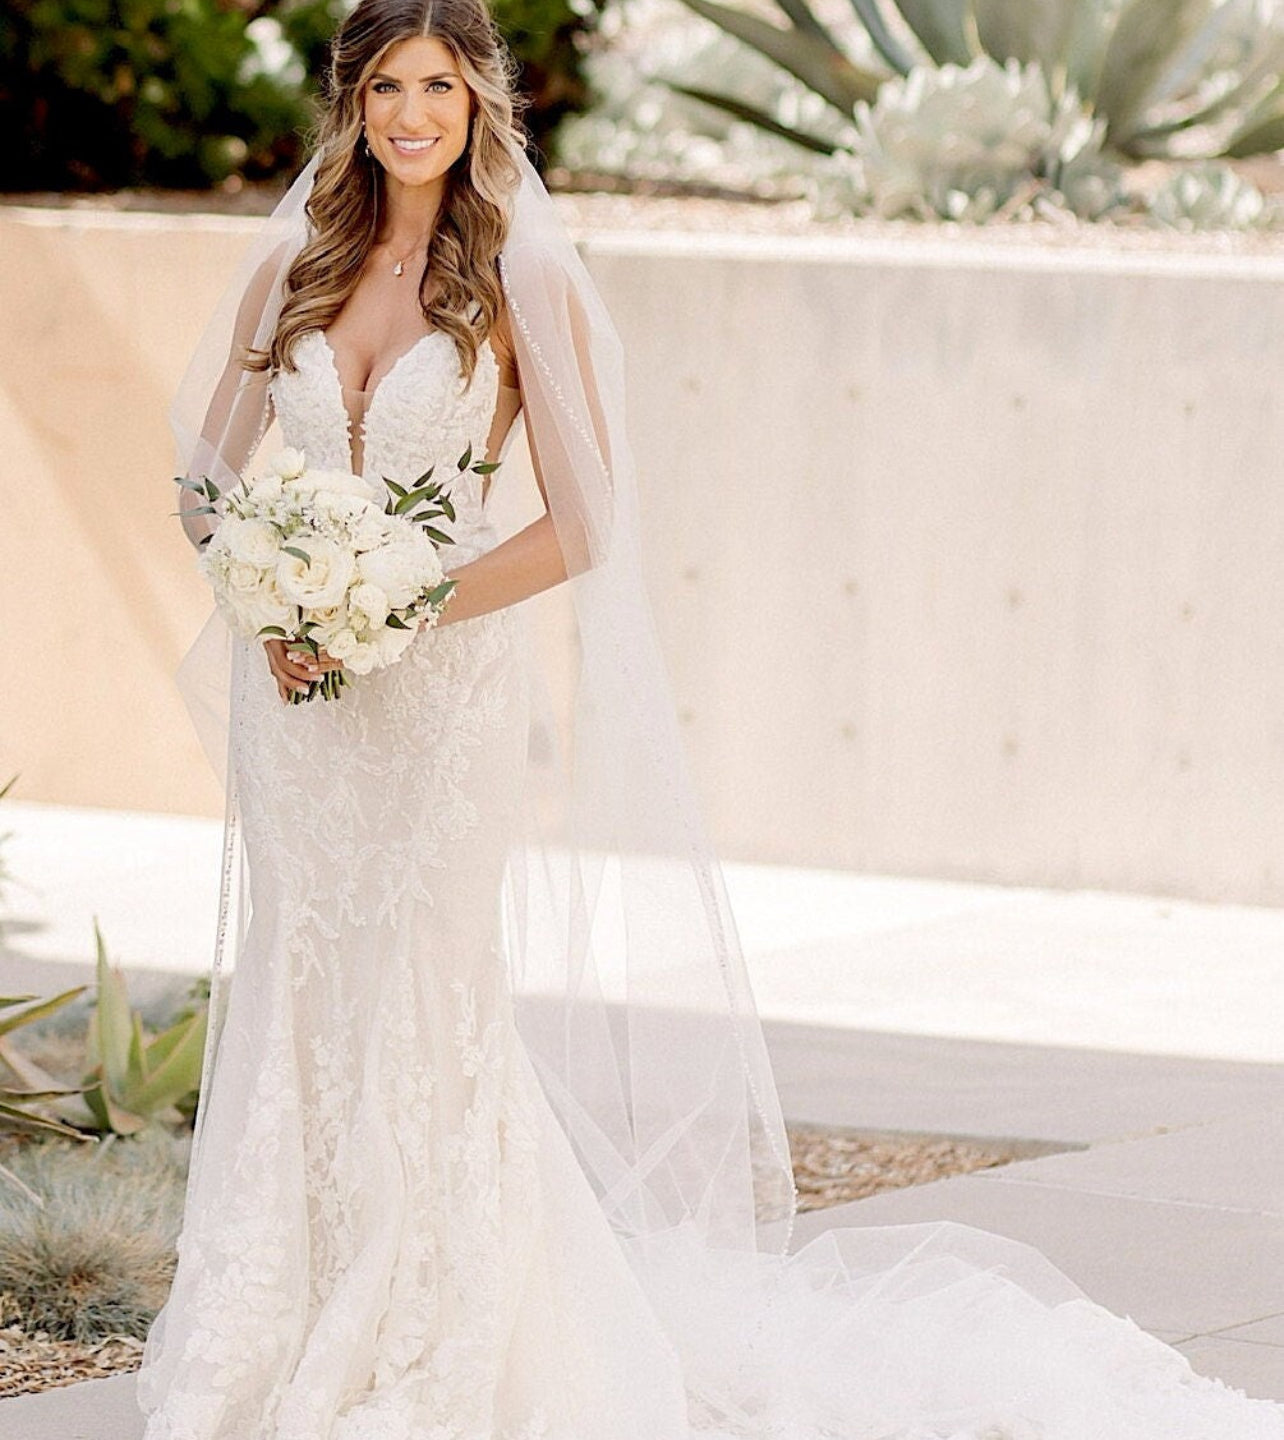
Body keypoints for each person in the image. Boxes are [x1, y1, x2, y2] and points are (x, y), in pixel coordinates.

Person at [136, 1, 1284, 1435]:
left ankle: (437, 1327)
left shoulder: (518, 276)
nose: (409, 112)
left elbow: (586, 521)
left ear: (483, 99)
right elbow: (205, 477)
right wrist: (273, 596)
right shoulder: (296, 263)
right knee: (307, 994)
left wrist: (394, 611)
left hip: (436, 705)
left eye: (437, 83)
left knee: (428, 1005)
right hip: (301, 710)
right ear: (351, 102)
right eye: (384, 86)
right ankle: (282, 1316)